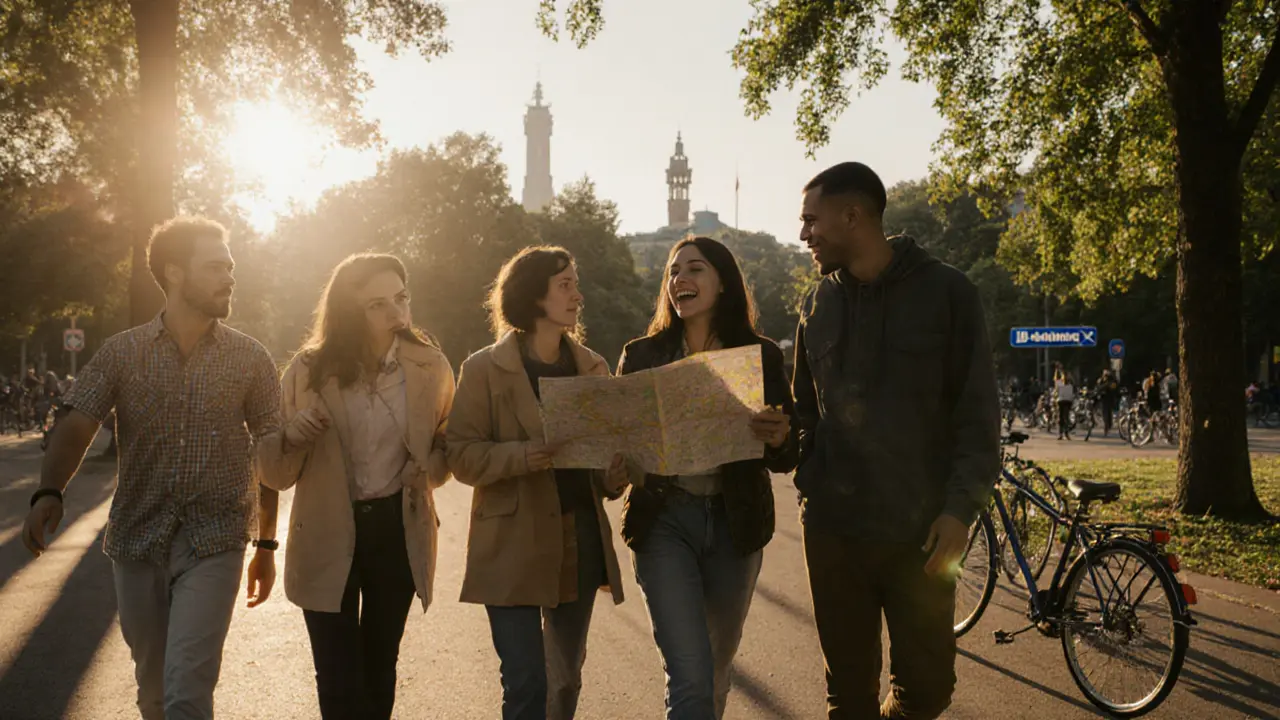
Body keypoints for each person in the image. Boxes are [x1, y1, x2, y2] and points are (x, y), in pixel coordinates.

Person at [21, 216, 280, 720]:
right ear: (175, 273)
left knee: (188, 691)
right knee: (154, 691)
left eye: (230, 266)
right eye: (215, 267)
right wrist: (48, 491)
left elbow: (271, 454)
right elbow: (78, 421)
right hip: (138, 537)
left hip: (216, 538)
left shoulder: (252, 359)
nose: (229, 277)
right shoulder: (123, 352)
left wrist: (266, 544)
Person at [792, 162, 1001, 719]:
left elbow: (979, 417)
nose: (804, 233)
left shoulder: (949, 292)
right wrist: (782, 439)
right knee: (849, 696)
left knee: (928, 690)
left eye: (812, 220)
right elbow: (804, 418)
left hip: (923, 534)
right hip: (834, 532)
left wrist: (960, 512)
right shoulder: (816, 305)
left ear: (853, 215)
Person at [256, 254, 455, 719]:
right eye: (377, 304)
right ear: (349, 310)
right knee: (337, 673)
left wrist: (428, 466)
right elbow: (274, 472)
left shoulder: (430, 366)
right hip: (326, 529)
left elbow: (448, 443)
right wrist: (291, 435)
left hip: (397, 530)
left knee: (379, 666)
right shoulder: (307, 371)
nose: (396, 313)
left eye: (401, 298)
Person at [446, 246, 630, 720]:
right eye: (565, 284)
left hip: (579, 540)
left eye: (575, 283)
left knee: (565, 680)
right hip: (509, 541)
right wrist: (523, 456)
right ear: (533, 296)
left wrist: (612, 478)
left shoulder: (593, 368)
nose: (577, 294)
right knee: (526, 683)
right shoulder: (483, 368)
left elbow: (601, 467)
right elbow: (461, 457)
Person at [617, 236, 796, 720]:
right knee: (690, 674)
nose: (680, 280)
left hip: (735, 523)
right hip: (663, 520)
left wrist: (779, 436)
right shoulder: (642, 356)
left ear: (723, 283)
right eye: (673, 273)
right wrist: (615, 458)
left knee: (714, 669)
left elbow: (787, 455)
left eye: (694, 269)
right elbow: (620, 448)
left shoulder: (760, 356)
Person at [1096, 369, 1120, 437]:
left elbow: (1114, 388)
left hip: (1108, 398)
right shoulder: (1103, 380)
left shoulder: (1111, 381)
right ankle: (1108, 426)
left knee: (1106, 413)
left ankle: (1107, 426)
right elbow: (1099, 387)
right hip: (1106, 398)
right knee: (1107, 412)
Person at [1054, 368, 1075, 440]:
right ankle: (1064, 434)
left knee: (1063, 418)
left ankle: (1063, 434)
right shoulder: (1067, 383)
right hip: (1065, 402)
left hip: (1063, 401)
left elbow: (1056, 390)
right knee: (1064, 418)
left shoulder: (1061, 383)